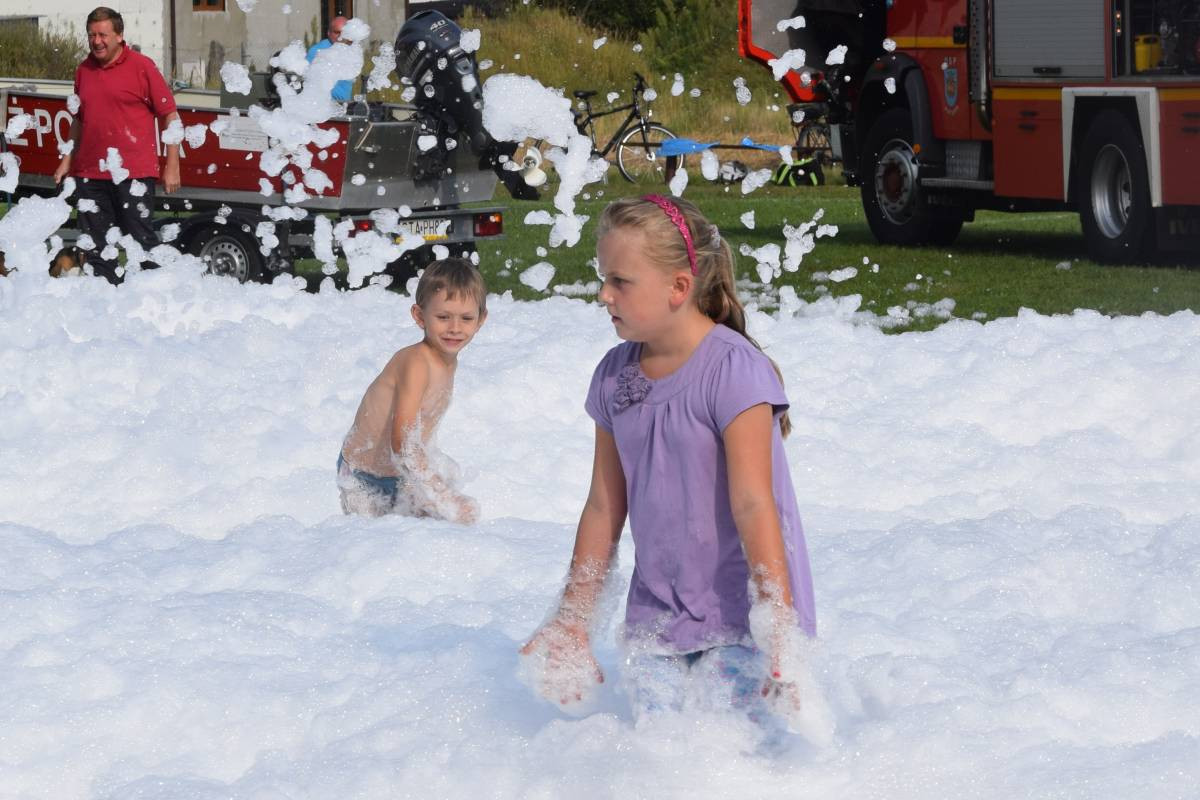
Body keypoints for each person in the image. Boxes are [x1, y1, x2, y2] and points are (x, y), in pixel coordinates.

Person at [520, 195, 817, 726]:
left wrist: (779, 626)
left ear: (679, 287)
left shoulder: (733, 371)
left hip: (742, 622)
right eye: (602, 277)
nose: (602, 293)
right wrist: (573, 618)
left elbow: (754, 504)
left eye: (620, 281)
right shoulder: (615, 377)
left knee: (736, 765)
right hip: (655, 623)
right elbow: (603, 508)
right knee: (659, 760)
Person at [338, 258, 486, 523]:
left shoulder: (447, 361)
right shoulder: (416, 362)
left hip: (400, 474)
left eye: (466, 318)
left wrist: (436, 485)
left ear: (481, 320)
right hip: (364, 478)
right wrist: (443, 496)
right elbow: (403, 443)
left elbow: (420, 436)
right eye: (442, 317)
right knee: (378, 550)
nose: (454, 328)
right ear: (420, 316)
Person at [53, 6, 181, 285]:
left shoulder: (142, 66)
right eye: (91, 35)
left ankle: (150, 303)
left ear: (120, 36)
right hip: (90, 175)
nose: (96, 41)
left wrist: (172, 165)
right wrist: (67, 160)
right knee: (96, 249)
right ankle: (106, 307)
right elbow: (78, 119)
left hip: (133, 174)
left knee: (141, 244)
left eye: (103, 34)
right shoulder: (83, 70)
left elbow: (169, 115)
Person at [306, 16, 354, 103]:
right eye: (337, 32)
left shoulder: (350, 50)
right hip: (325, 107)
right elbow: (311, 83)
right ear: (328, 33)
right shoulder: (318, 52)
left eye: (345, 33)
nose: (341, 37)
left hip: (344, 107)